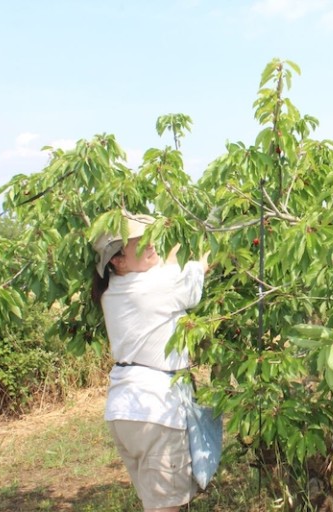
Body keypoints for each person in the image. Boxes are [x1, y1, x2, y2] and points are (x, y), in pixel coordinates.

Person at [91, 212, 208, 512]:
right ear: (117, 260)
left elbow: (164, 274)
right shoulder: (153, 287)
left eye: (150, 235)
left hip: (124, 412)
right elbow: (192, 280)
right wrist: (206, 254)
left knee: (155, 504)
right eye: (139, 241)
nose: (150, 243)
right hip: (155, 412)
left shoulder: (114, 290)